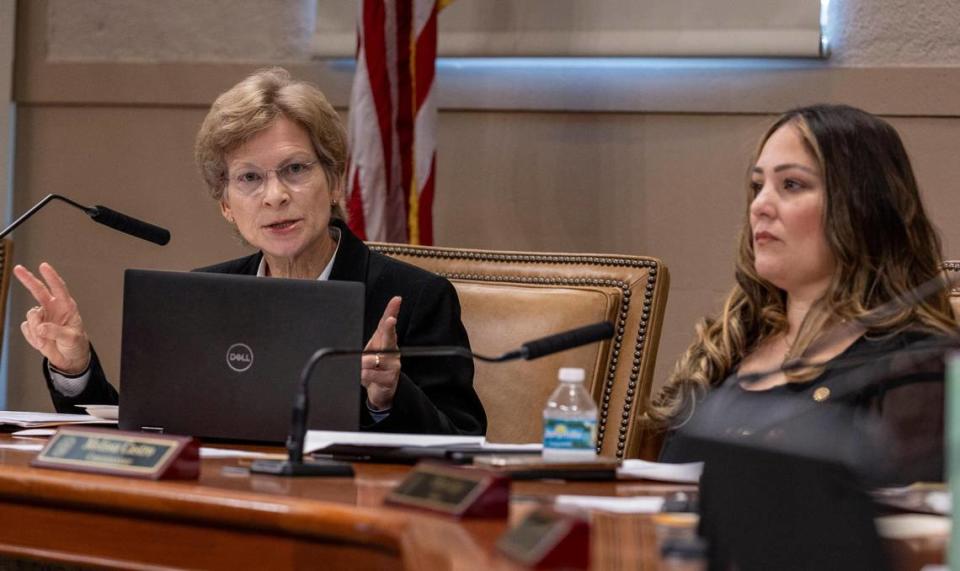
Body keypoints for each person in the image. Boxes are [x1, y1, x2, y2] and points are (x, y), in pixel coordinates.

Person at [14, 67, 486, 436]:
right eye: (249, 178)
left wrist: (389, 396)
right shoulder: (203, 295)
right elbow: (143, 430)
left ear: (337, 181)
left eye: (296, 169)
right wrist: (73, 367)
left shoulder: (417, 298)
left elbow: (463, 446)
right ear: (225, 205)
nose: (274, 196)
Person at [652, 104, 957, 485]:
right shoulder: (725, 349)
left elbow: (914, 532)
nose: (760, 205)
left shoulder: (912, 364)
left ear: (862, 207)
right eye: (756, 186)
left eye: (792, 185)